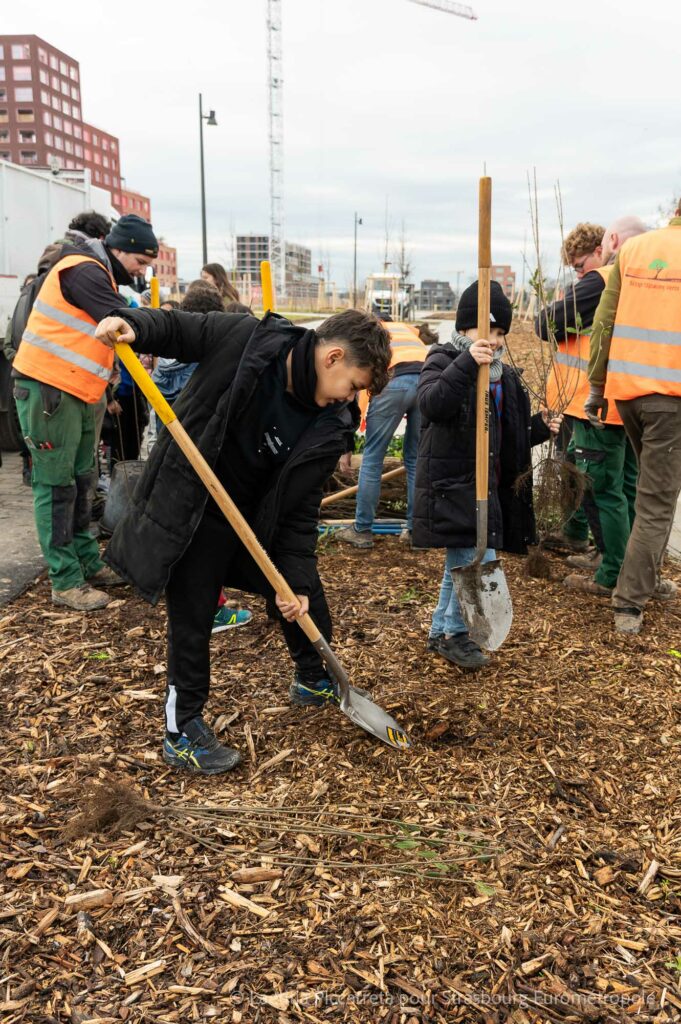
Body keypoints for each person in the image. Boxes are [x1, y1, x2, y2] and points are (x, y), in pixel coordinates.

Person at [95, 307, 391, 774]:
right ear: (332, 357)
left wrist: (292, 580)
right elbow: (181, 330)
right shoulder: (249, 340)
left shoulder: (331, 424)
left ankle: (314, 677)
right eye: (354, 385)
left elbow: (298, 515)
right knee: (192, 619)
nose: (351, 399)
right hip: (194, 507)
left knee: (303, 592)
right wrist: (133, 325)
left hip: (255, 524)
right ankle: (182, 730)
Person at [11, 214, 159, 611]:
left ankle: (87, 562)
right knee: (57, 485)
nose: (141, 272)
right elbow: (118, 318)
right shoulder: (82, 270)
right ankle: (65, 580)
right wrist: (158, 329)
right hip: (49, 389)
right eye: (141, 262)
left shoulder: (100, 274)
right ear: (121, 248)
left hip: (76, 392)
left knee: (82, 481)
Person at [414, 281, 560, 669]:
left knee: (460, 561)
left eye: (499, 333)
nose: (493, 341)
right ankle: (456, 635)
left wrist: (541, 427)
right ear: (464, 328)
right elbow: (432, 405)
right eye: (487, 330)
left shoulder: (504, 378)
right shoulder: (442, 359)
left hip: (487, 487)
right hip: (454, 486)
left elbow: (509, 437)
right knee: (477, 558)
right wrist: (467, 364)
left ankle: (439, 630)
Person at [538, 218, 647, 596]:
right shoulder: (635, 280)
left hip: (595, 403)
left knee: (603, 489)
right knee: (623, 486)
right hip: (625, 399)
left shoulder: (600, 280)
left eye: (580, 264)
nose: (579, 273)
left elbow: (545, 324)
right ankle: (627, 565)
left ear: (603, 248)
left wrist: (554, 312)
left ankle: (611, 573)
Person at [587, 204, 681, 635]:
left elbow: (603, 323)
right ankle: (628, 603)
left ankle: (644, 579)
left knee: (654, 492)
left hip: (628, 393)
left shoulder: (634, 250)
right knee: (657, 501)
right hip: (671, 398)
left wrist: (595, 387)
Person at [336, 321, 427, 548]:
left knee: (373, 459)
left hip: (393, 379)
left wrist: (346, 445)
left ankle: (362, 530)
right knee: (416, 460)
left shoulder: (369, 335)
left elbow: (356, 392)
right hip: (426, 380)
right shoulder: (407, 330)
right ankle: (416, 532)